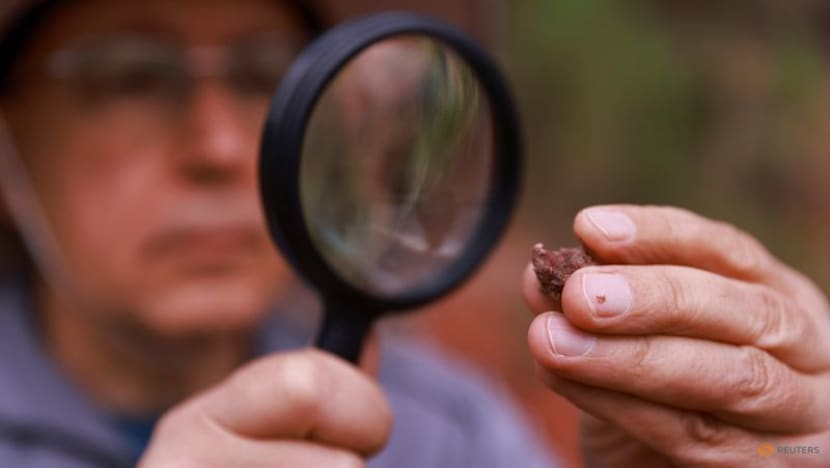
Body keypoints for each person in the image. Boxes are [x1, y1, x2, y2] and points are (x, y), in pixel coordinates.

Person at [0, 1, 556, 467]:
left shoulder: (444, 436)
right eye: (133, 78)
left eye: (264, 76)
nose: (219, 148)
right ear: (11, 138)